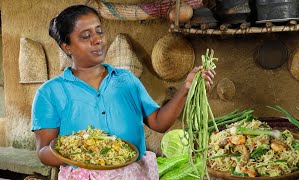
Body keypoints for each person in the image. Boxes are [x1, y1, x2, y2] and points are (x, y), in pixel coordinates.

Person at [31, 4, 216, 180]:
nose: (97, 39)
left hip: (135, 174)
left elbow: (158, 122)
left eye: (99, 31)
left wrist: (185, 89)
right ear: (66, 46)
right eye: (86, 36)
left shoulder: (126, 80)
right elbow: (43, 152)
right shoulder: (50, 93)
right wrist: (79, 149)